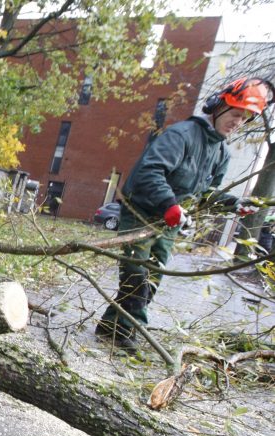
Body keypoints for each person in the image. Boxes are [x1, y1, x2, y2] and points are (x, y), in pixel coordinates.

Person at [95, 77, 274, 350]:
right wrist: (169, 204)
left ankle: (111, 327)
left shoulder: (221, 153)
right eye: (236, 114)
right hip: (142, 211)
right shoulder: (182, 135)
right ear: (218, 106)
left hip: (171, 223)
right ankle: (131, 331)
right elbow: (149, 172)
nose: (238, 122)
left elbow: (204, 194)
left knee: (153, 277)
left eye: (245, 118)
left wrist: (232, 203)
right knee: (136, 273)